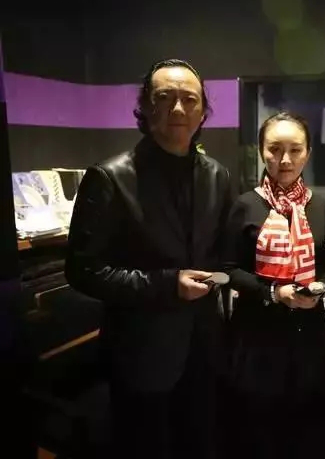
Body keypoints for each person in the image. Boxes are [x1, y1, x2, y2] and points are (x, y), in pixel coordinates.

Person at [65, 59, 232, 459]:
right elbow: (83, 270)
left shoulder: (218, 175)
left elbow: (221, 255)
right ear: (145, 106)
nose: (178, 108)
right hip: (140, 353)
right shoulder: (109, 176)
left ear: (203, 111)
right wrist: (167, 284)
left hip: (203, 348)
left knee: (200, 444)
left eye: (189, 99)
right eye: (165, 97)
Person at [221, 112, 325, 459]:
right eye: (275, 149)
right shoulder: (245, 205)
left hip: (307, 334)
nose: (285, 159)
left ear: (308, 153)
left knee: (302, 428)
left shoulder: (321, 205)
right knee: (258, 430)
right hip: (256, 334)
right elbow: (227, 270)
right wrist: (272, 292)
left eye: (295, 150)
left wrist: (320, 288)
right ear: (261, 151)